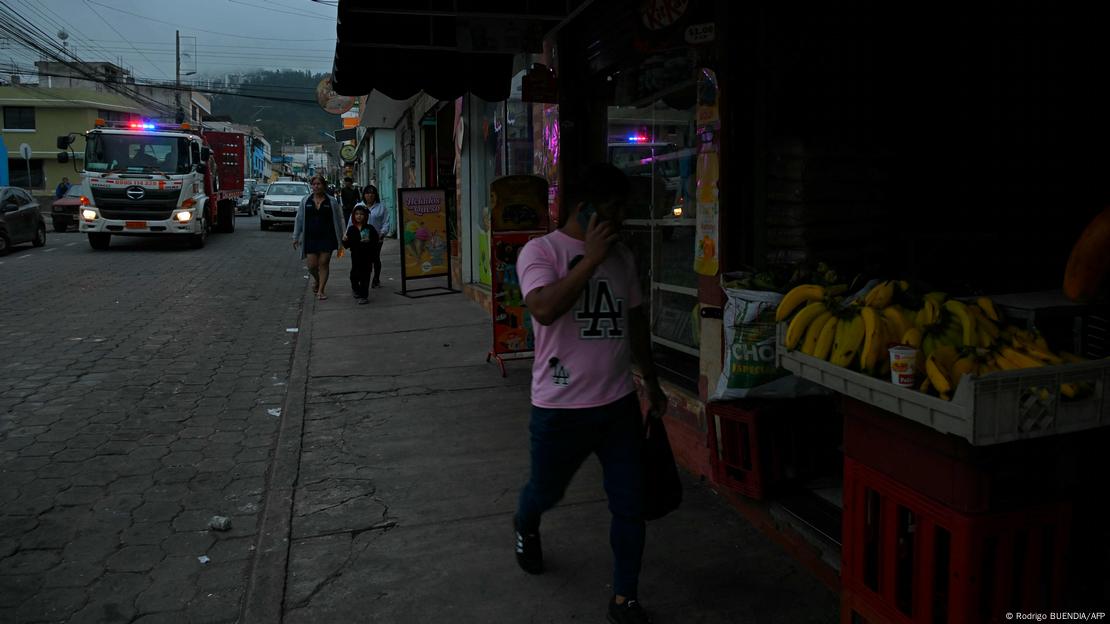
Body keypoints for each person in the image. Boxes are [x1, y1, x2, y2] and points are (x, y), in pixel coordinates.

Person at [512, 163, 666, 624]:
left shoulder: (623, 257)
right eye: (615, 209)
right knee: (546, 490)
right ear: (587, 209)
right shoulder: (540, 252)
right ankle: (526, 521)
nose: (622, 219)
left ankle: (625, 598)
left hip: (618, 405)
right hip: (559, 409)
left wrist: (652, 382)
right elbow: (543, 309)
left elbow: (635, 323)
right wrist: (592, 260)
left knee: (629, 504)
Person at [293, 174, 345, 301]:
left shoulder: (331, 201)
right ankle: (317, 280)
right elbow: (299, 219)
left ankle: (321, 290)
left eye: (319, 184)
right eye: (314, 184)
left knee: (324, 263)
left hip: (328, 237)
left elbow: (338, 220)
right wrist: (296, 236)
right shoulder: (305, 201)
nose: (316, 186)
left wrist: (342, 237)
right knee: (312, 266)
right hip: (310, 237)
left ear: (324, 186)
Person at [351, 184, 387, 289]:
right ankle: (361, 281)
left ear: (375, 195)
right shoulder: (358, 206)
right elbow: (351, 221)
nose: (370, 195)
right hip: (361, 239)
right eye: (367, 193)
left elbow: (386, 222)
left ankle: (376, 278)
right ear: (364, 195)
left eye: (372, 193)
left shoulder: (381, 207)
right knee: (362, 260)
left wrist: (383, 232)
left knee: (375, 258)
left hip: (377, 239)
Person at [342, 204, 378, 304]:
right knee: (354, 276)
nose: (359, 216)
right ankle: (356, 289)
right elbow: (346, 245)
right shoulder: (351, 229)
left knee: (365, 277)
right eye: (357, 214)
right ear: (353, 216)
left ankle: (364, 296)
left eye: (361, 214)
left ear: (365, 216)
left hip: (367, 257)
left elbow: (375, 242)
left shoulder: (370, 228)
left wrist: (370, 244)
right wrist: (344, 240)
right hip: (356, 257)